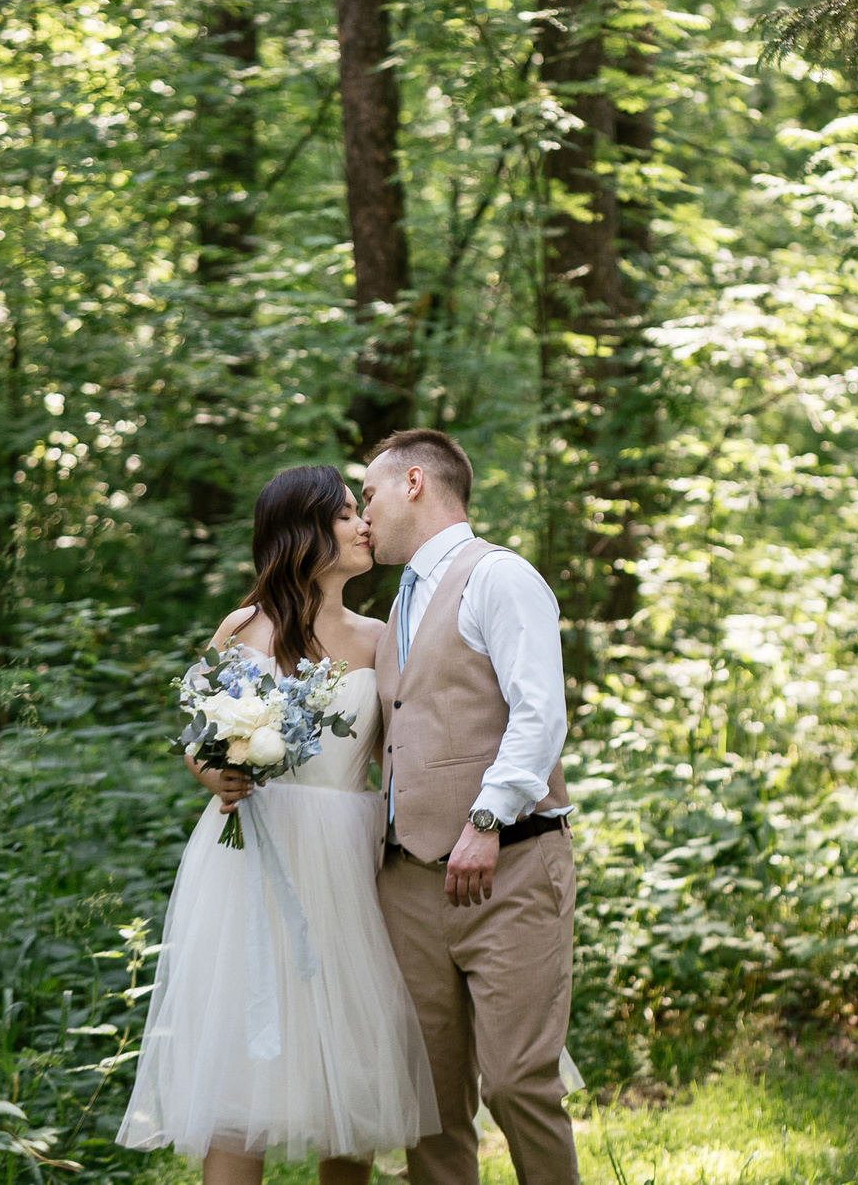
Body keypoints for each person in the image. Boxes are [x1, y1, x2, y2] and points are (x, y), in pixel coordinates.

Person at [117, 465, 438, 1184]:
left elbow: (398, 759)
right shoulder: (241, 627)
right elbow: (199, 740)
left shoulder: (383, 638)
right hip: (252, 855)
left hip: (349, 860)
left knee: (347, 1057)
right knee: (240, 1051)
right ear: (303, 529)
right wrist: (220, 773)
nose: (363, 524)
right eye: (347, 511)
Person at [355, 427, 580, 1185]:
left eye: (370, 493)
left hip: (509, 868)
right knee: (432, 1106)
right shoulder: (396, 609)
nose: (363, 514)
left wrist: (485, 819)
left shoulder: (500, 576)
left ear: (414, 482)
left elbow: (540, 714)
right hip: (409, 885)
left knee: (518, 1082)